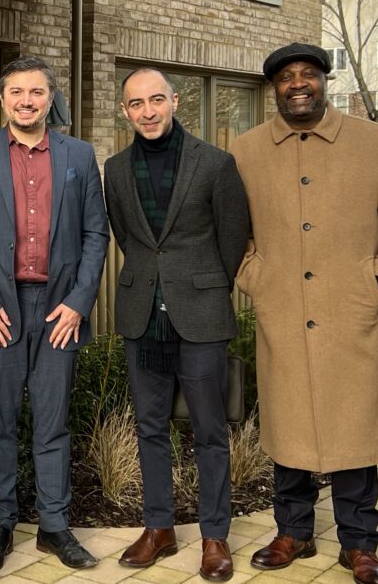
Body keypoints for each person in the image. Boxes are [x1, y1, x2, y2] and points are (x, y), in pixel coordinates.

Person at [227, 43, 378, 584]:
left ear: (323, 81)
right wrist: (256, 280)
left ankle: (360, 543)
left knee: (354, 428)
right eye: (286, 77)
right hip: (283, 309)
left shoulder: (376, 143)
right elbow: (231, 230)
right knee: (288, 425)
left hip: (351, 310)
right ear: (274, 89)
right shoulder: (245, 152)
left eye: (307, 74)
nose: (297, 84)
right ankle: (293, 531)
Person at [0, 56, 110, 571]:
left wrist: (80, 302)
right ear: (3, 99)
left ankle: (54, 526)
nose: (26, 101)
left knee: (52, 421)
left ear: (49, 97)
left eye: (36, 92)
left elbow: (94, 234)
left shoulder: (79, 155)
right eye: (16, 92)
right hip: (0, 307)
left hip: (59, 308)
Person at [103, 69, 250, 578]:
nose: (148, 111)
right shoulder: (116, 170)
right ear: (125, 111)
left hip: (201, 314)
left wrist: (197, 284)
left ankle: (214, 535)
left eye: (156, 100)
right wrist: (155, 281)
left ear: (174, 101)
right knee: (150, 426)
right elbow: (129, 237)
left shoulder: (215, 163)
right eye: (137, 103)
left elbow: (232, 239)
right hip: (143, 316)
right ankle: (159, 527)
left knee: (209, 428)